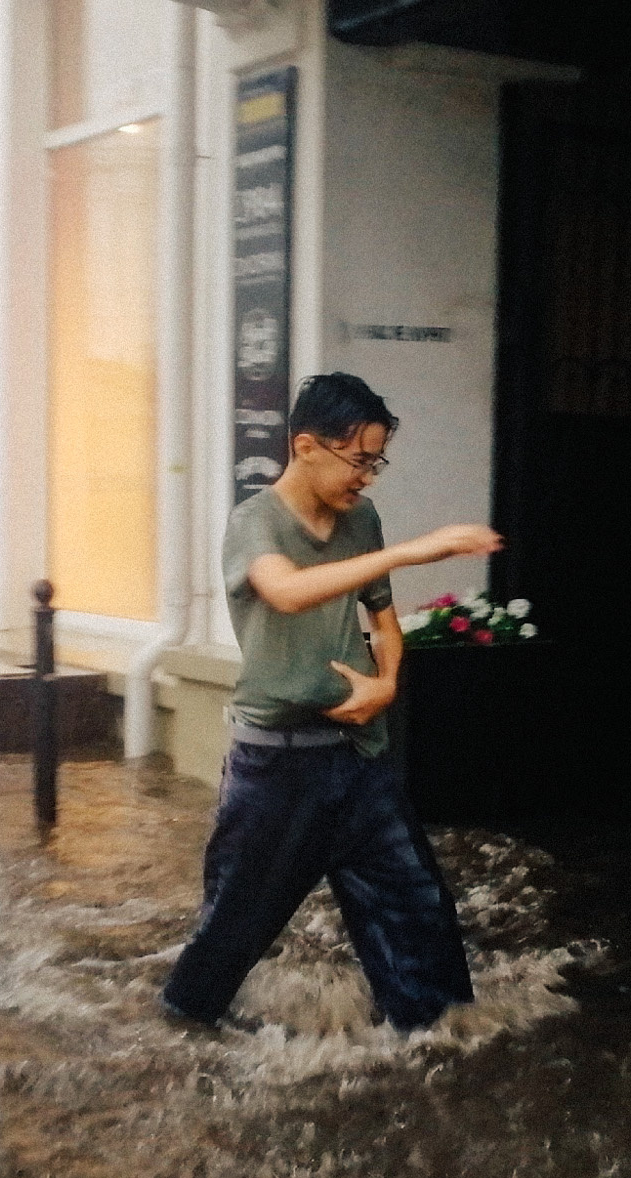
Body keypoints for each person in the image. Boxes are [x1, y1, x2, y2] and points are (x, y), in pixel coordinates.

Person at [160, 373, 504, 1033]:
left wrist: (387, 683)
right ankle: (182, 1030)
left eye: (377, 461)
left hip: (358, 757)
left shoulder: (361, 520)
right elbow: (287, 591)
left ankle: (432, 1048)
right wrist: (417, 549)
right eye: (359, 460)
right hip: (276, 771)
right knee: (233, 933)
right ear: (307, 445)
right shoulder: (253, 522)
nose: (368, 478)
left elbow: (384, 620)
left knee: (419, 911)